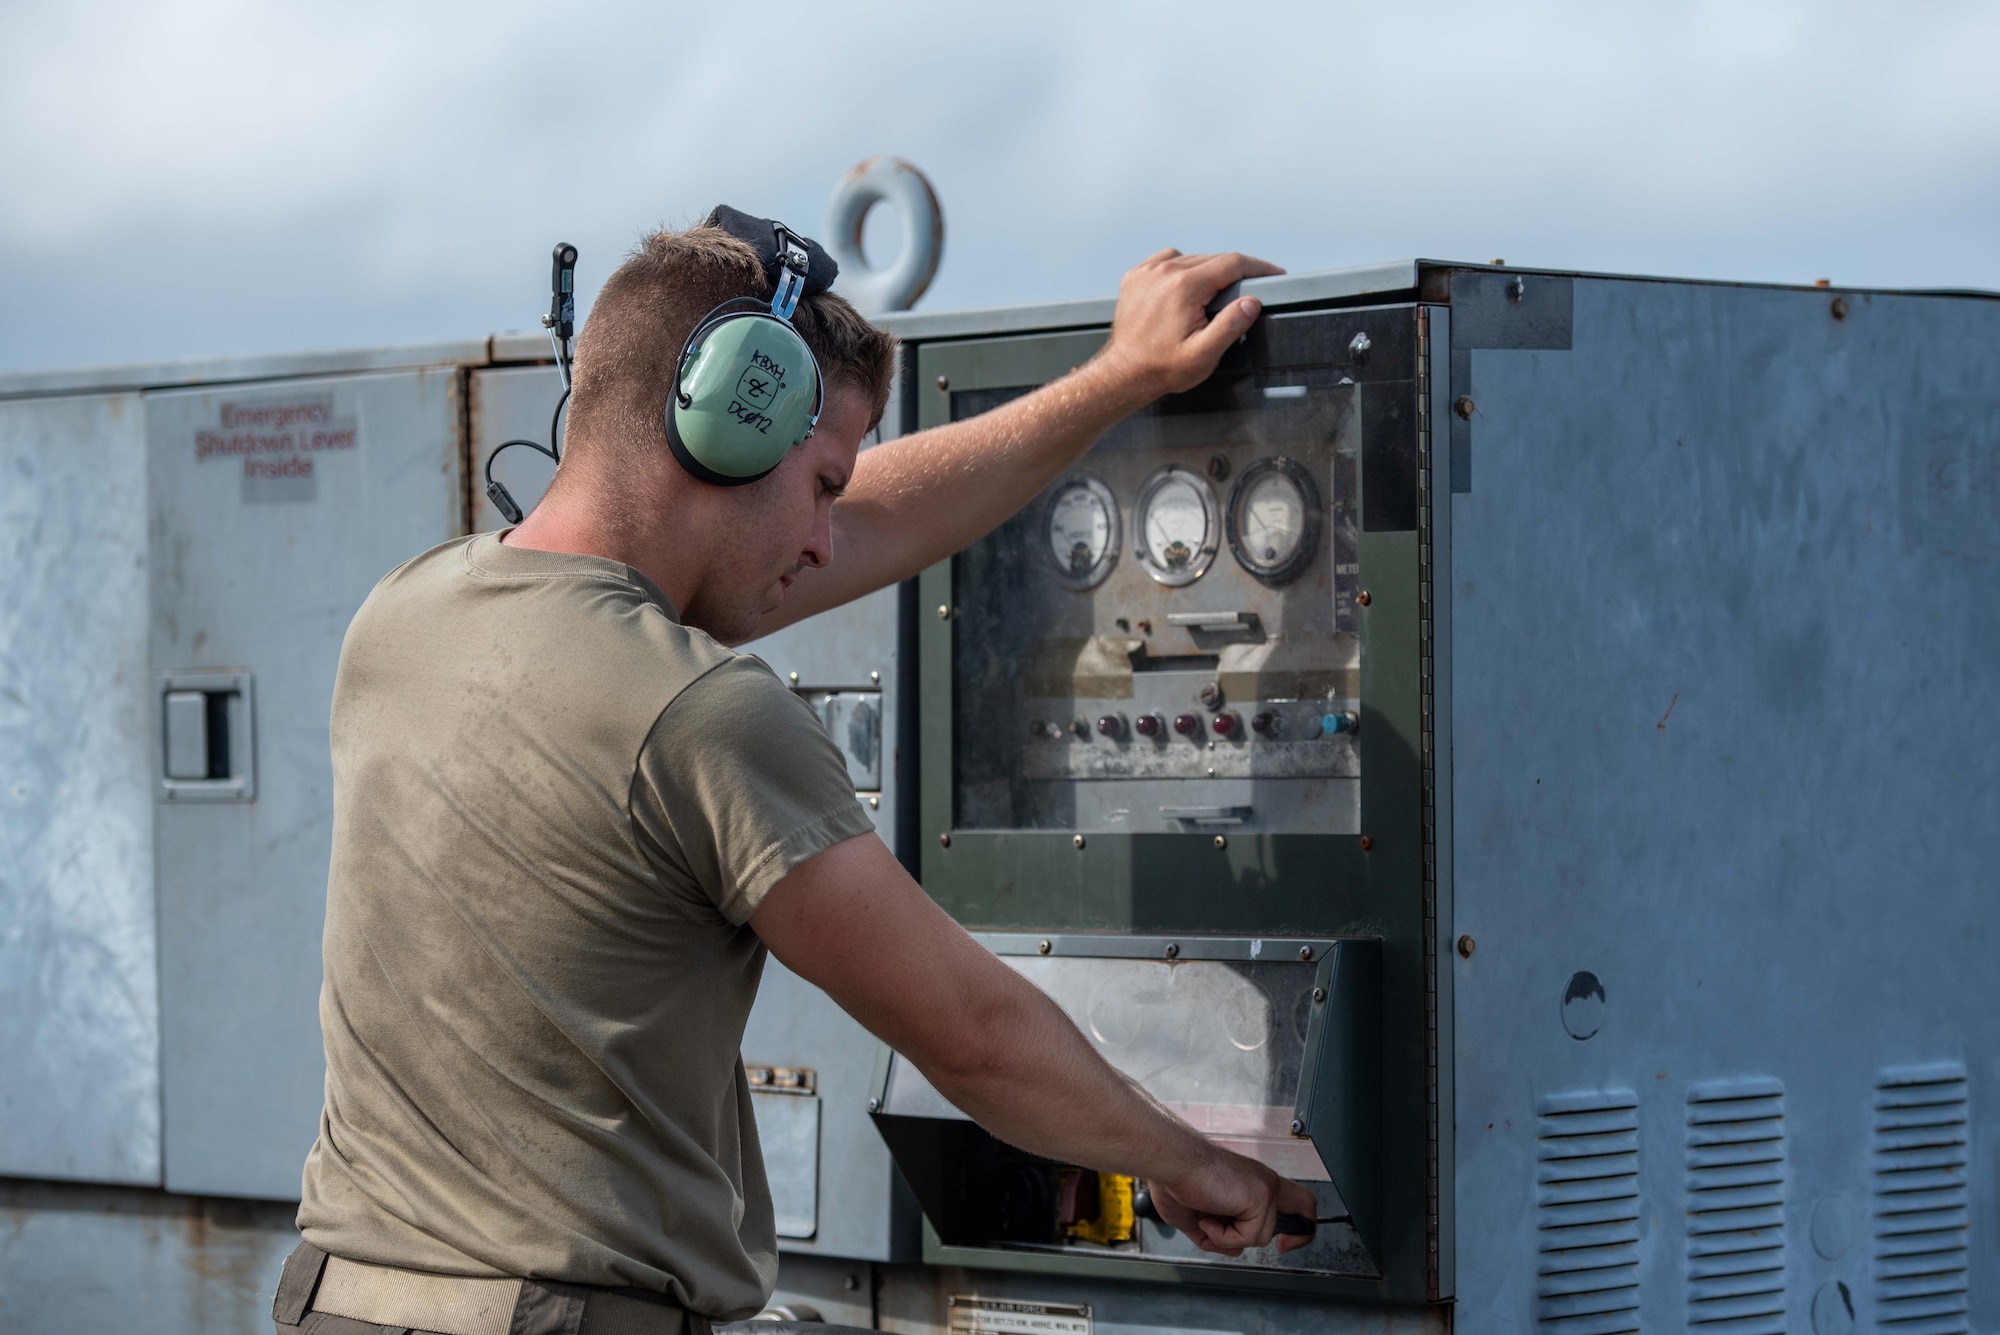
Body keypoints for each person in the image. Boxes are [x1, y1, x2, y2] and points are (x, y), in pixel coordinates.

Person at [272, 210, 1313, 1335]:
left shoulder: (404, 613)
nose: (824, 541)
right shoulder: (698, 714)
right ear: (728, 428)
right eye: (820, 483)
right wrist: (1192, 1163)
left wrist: (1114, 381)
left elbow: (866, 527)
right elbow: (971, 1034)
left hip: (339, 1303)